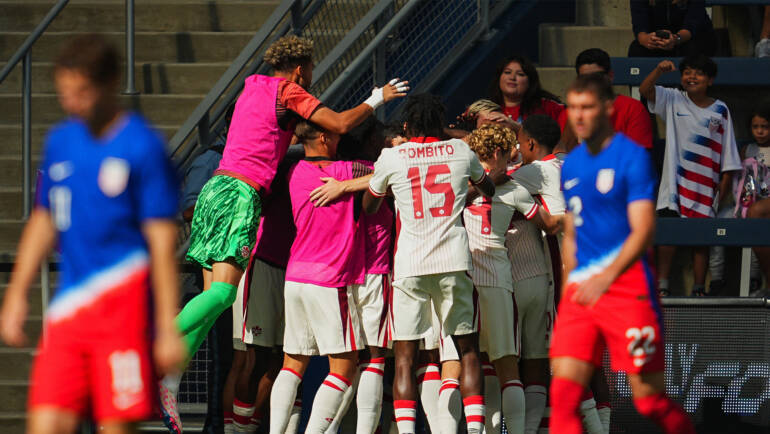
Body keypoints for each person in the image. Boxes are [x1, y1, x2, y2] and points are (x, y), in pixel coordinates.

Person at [161, 34, 407, 432]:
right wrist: (377, 97)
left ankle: (168, 379)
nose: (311, 81)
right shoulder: (288, 91)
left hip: (216, 191)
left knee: (213, 303)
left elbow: (278, 135)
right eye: (309, 72)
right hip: (241, 194)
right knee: (224, 294)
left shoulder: (251, 88)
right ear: (299, 69)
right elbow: (340, 123)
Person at [0, 34, 185, 433]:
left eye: (81, 93)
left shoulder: (143, 146)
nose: (72, 103)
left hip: (125, 315)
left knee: (115, 427)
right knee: (45, 424)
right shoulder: (61, 141)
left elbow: (161, 239)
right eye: (65, 94)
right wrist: (16, 294)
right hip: (70, 313)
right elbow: (43, 220)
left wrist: (167, 328)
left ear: (109, 83)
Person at [549, 73, 695, 434]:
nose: (578, 116)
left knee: (648, 400)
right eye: (572, 108)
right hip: (583, 292)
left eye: (587, 107)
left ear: (609, 109)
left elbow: (644, 231)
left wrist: (606, 278)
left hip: (628, 290)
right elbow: (572, 230)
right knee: (563, 402)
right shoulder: (570, 164)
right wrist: (569, 288)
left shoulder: (630, 157)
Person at [363, 93, 496, 434]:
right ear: (440, 125)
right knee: (467, 350)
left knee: (405, 358)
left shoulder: (392, 157)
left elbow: (370, 205)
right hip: (453, 259)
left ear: (408, 125)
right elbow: (488, 187)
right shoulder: (461, 151)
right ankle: (476, 430)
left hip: (410, 262)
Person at [268, 120, 372, 433]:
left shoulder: (294, 172)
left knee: (292, 364)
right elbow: (389, 172)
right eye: (335, 129)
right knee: (345, 366)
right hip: (328, 279)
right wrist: (344, 186)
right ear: (324, 136)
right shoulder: (343, 171)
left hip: (295, 276)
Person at [464, 123, 559, 434]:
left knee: (469, 363)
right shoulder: (515, 189)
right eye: (509, 152)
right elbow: (549, 224)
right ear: (497, 153)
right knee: (506, 364)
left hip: (463, 277)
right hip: (497, 278)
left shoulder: (457, 185)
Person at [640, 55, 741, 296]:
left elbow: (728, 158)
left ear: (710, 80)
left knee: (701, 241)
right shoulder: (674, 98)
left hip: (707, 189)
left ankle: (698, 288)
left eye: (698, 73)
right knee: (668, 236)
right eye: (687, 72)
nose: (691, 77)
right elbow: (646, 90)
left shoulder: (721, 109)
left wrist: (721, 191)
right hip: (674, 187)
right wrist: (658, 71)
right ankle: (662, 286)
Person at [574, 48, 654, 150]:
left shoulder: (633, 109)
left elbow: (638, 159)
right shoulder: (573, 112)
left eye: (597, 76)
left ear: (610, 76)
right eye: (585, 78)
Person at [734, 103, 770, 296]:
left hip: (765, 202)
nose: (760, 131)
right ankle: (753, 278)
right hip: (749, 199)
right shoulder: (748, 150)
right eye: (756, 127)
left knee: (755, 213)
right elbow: (743, 182)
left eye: (765, 127)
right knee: (747, 214)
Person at [488, 55, 566, 130]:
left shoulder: (546, 107)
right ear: (499, 78)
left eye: (520, 74)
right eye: (507, 72)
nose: (512, 78)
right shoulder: (488, 110)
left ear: (530, 82)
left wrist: (517, 128)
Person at [628, 0, 716, 57]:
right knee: (636, 49)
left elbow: (691, 26)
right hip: (657, 41)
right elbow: (639, 25)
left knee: (692, 49)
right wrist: (647, 40)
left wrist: (675, 39)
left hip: (688, 39)